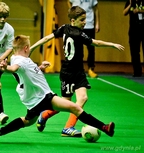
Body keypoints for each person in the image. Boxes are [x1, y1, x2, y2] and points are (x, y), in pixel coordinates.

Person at [0, 34, 115, 143]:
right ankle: (104, 127)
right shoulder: (20, 61)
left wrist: (39, 68)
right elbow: (15, 68)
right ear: (26, 48)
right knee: (75, 108)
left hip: (33, 101)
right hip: (44, 97)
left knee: (28, 121)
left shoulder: (18, 58)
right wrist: (6, 68)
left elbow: (24, 73)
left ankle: (0, 132)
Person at [29, 6, 124, 137]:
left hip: (79, 72)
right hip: (68, 73)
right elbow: (96, 43)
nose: (85, 22)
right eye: (82, 20)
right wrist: (112, 44)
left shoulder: (64, 28)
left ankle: (68, 127)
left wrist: (32, 48)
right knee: (65, 103)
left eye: (85, 19)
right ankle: (44, 115)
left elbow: (46, 38)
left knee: (82, 98)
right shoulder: (79, 34)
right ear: (73, 20)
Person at [67, 0, 100, 78]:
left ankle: (91, 69)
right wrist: (72, 15)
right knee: (76, 48)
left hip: (89, 24)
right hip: (77, 24)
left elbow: (96, 8)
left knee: (91, 48)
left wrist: (97, 23)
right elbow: (69, 2)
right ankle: (76, 69)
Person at [123, 0, 144, 77]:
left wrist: (140, 10)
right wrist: (130, 5)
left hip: (143, 28)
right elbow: (124, 13)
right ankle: (137, 71)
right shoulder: (130, 1)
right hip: (133, 30)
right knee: (134, 52)